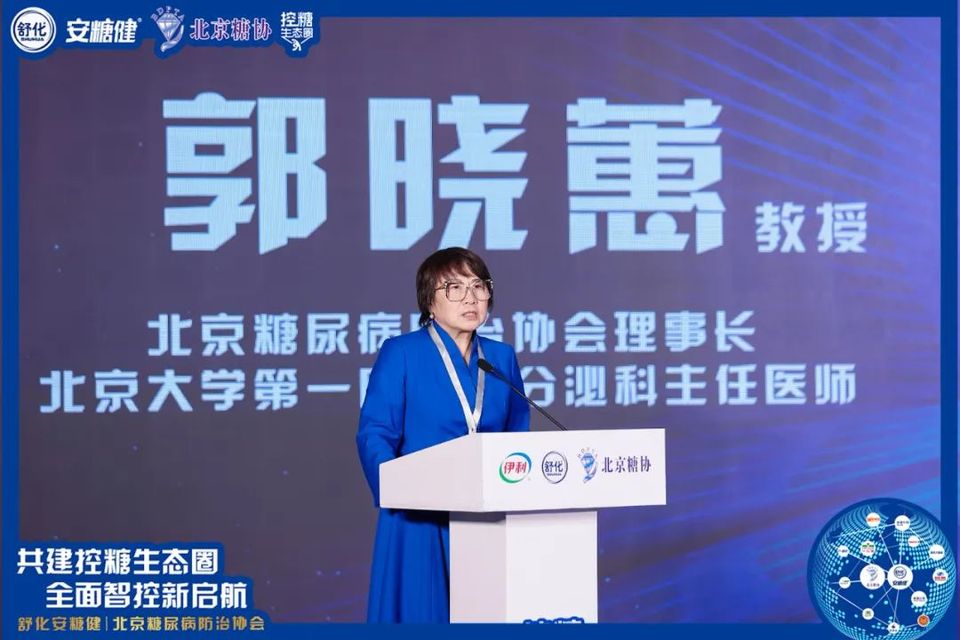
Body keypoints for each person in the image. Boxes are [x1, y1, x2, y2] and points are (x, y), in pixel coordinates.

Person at [356, 247, 531, 623]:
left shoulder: (500, 357)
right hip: (419, 514)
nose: (470, 297)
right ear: (429, 301)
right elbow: (376, 431)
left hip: (485, 511)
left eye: (479, 286)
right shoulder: (402, 352)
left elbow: (517, 431)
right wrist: (395, 488)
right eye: (454, 287)